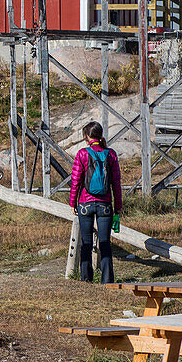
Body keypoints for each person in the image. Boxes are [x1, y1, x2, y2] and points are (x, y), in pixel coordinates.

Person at [68, 121, 123, 283]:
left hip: (85, 204)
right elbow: (116, 183)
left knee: (86, 242)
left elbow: (76, 181)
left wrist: (73, 202)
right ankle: (107, 280)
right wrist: (118, 207)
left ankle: (86, 279)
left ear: (86, 137)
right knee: (105, 243)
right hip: (105, 205)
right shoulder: (111, 154)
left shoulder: (82, 154)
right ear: (100, 135)